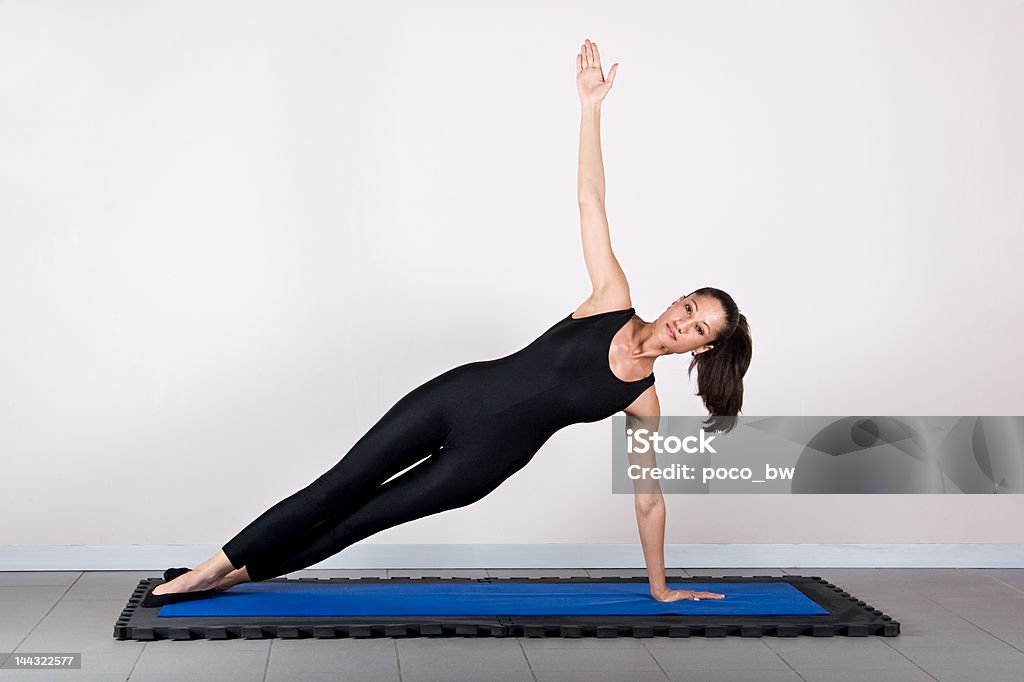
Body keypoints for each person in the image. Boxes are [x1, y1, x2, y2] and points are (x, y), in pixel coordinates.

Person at [143, 38, 752, 608]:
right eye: (690, 308)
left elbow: (649, 502)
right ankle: (204, 570)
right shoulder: (610, 297)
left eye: (701, 329)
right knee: (339, 487)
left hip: (482, 463)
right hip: (454, 397)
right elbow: (591, 201)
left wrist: (660, 586)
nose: (685, 323)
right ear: (678, 301)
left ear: (701, 350)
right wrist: (590, 109)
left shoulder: (644, 403)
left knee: (361, 520)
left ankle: (235, 574)